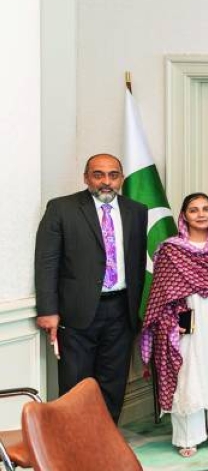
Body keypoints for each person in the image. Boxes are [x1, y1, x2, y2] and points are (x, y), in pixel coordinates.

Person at [34, 154, 148, 423]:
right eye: (98, 175)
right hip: (78, 312)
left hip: (122, 309)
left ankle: (106, 441)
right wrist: (48, 310)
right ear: (86, 178)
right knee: (76, 383)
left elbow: (137, 261)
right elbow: (46, 262)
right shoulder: (62, 208)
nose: (106, 182)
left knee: (113, 381)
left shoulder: (137, 210)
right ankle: (74, 444)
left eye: (113, 175)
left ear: (121, 178)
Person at [140, 193, 208, 457]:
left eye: (206, 209)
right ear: (184, 215)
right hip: (187, 315)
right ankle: (190, 435)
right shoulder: (171, 249)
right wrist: (172, 319)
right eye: (193, 210)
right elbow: (162, 291)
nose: (200, 214)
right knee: (189, 367)